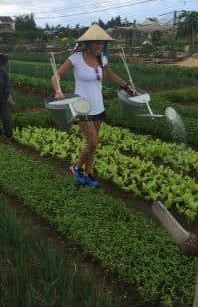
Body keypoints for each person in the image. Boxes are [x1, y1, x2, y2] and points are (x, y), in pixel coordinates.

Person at [51, 23, 135, 188]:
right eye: (96, 43)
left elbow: (110, 75)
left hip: (98, 107)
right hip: (82, 107)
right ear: (88, 43)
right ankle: (75, 168)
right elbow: (55, 77)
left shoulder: (102, 59)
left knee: (92, 145)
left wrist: (126, 86)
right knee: (93, 142)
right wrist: (57, 90)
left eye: (102, 43)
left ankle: (88, 173)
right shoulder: (75, 58)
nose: (100, 46)